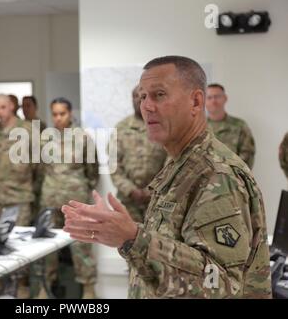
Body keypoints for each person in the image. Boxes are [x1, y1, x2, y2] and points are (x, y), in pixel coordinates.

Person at [62, 56, 271, 299]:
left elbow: (221, 284)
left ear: (195, 101)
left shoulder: (216, 174)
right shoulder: (181, 164)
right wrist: (122, 232)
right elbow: (175, 243)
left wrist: (133, 239)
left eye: (159, 95)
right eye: (143, 96)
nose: (147, 106)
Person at [36, 97, 98, 299]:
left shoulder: (83, 138)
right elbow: (39, 169)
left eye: (62, 113)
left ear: (70, 114)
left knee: (81, 243)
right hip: (51, 199)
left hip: (76, 201)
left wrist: (81, 187)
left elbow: (92, 170)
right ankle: (47, 284)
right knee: (48, 244)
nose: (58, 118)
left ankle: (88, 287)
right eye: (54, 114)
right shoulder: (44, 139)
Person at [0, 94, 39, 298]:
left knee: (18, 242)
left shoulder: (29, 130)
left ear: (12, 106)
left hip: (19, 194)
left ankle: (20, 283)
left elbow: (38, 163)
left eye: (3, 107)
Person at [110, 86, 167, 222]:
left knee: (157, 241)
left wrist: (152, 189)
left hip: (158, 198)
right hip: (127, 201)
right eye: (135, 96)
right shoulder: (121, 128)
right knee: (126, 242)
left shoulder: (163, 125)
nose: (138, 100)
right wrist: (130, 190)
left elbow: (171, 162)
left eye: (142, 96)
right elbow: (113, 165)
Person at [206, 83, 256, 169]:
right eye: (209, 97)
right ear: (204, 100)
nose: (213, 101)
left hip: (233, 179)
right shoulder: (197, 127)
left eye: (217, 96)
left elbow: (248, 155)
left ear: (225, 98)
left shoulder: (239, 126)